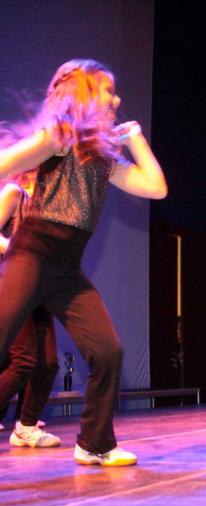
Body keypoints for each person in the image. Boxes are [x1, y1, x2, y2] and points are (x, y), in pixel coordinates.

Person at [0, 59, 167, 466]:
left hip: (67, 268)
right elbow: (6, 162)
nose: (117, 100)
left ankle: (94, 443)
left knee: (108, 351)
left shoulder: (103, 158)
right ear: (86, 94)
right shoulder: (59, 136)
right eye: (109, 91)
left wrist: (136, 140)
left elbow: (155, 188)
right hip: (32, 254)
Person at [0, 176, 58, 446]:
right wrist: (17, 249)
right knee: (24, 360)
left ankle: (26, 426)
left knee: (48, 363)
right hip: (13, 282)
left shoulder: (49, 203)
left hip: (40, 287)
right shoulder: (14, 193)